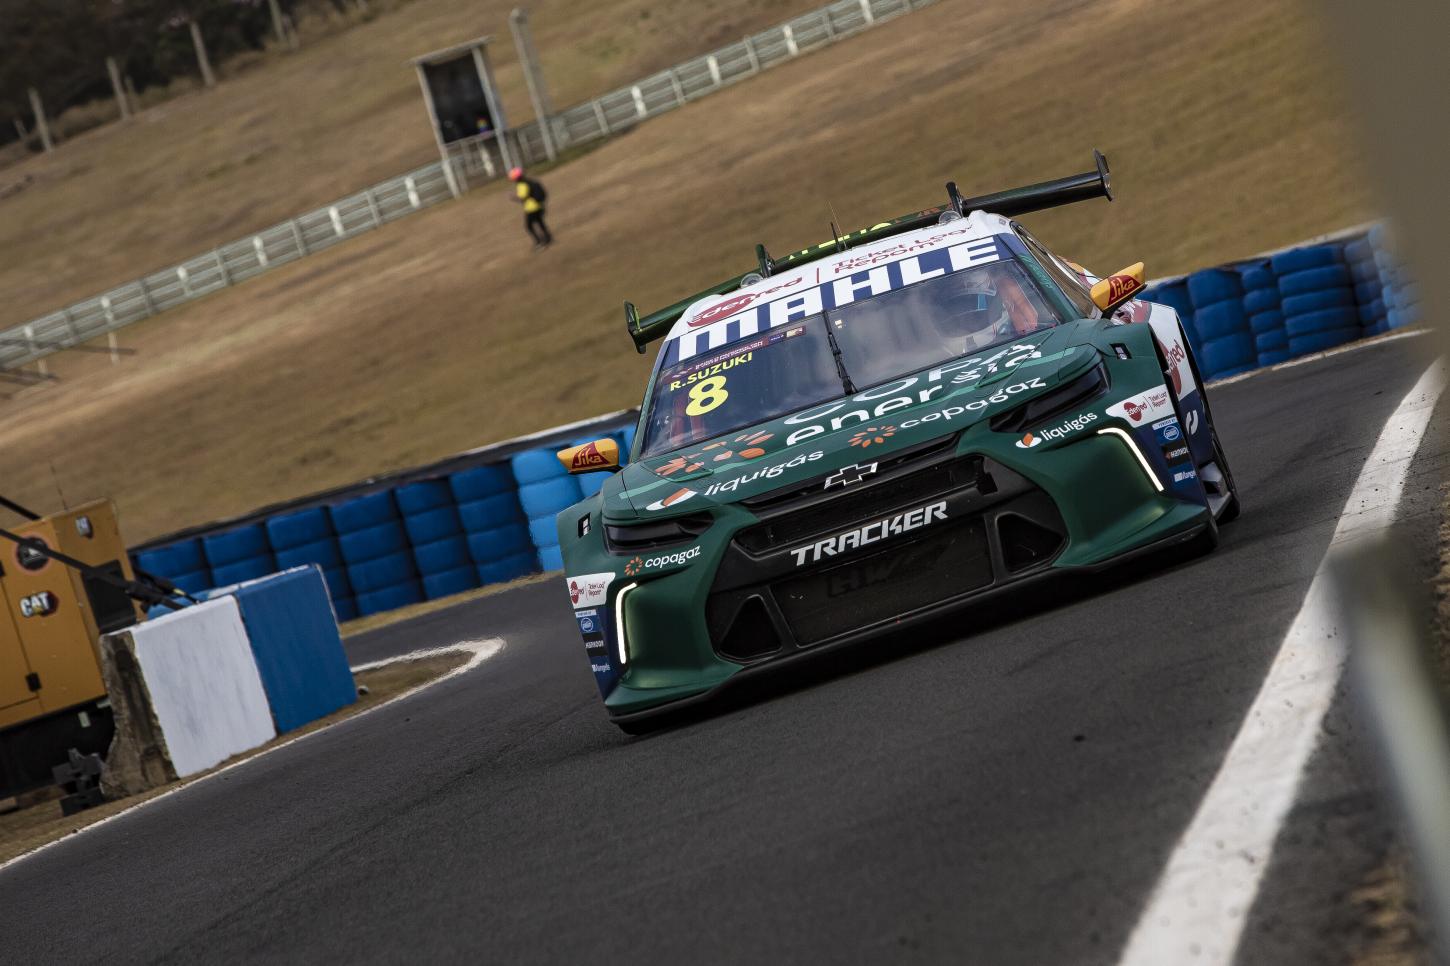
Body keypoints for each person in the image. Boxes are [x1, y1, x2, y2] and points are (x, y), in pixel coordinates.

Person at [508, 167, 552, 249]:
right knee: (540, 222)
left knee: (528, 226)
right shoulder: (529, 181)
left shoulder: (521, 184)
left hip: (531, 208)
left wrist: (513, 198)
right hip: (539, 205)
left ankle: (539, 242)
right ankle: (548, 238)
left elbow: (523, 197)